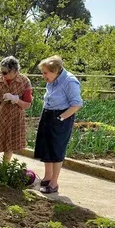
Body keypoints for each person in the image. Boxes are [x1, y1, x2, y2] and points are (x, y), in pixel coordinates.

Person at [36, 56, 83, 195]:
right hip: (48, 114)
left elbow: (77, 104)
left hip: (61, 117)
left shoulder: (69, 81)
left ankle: (54, 183)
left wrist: (60, 118)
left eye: (45, 73)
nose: (43, 75)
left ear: (55, 70)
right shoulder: (51, 80)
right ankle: (47, 177)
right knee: (46, 147)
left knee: (57, 149)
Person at [0, 56, 33, 168]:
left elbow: (27, 105)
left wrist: (15, 99)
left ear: (14, 70)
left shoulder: (24, 82)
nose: (2, 75)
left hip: (14, 117)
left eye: (4, 73)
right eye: (1, 72)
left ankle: (4, 168)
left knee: (9, 143)